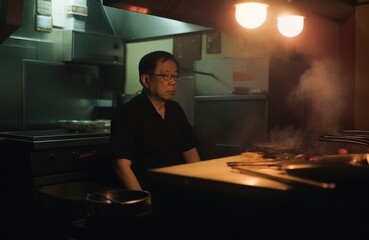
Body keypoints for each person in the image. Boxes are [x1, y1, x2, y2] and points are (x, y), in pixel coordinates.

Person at [110, 51, 201, 191]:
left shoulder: (175, 110)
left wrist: (200, 187)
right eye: (166, 76)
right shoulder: (128, 113)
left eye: (175, 76)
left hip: (177, 191)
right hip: (146, 192)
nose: (173, 81)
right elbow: (121, 166)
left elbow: (190, 151)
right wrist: (143, 200)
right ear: (145, 80)